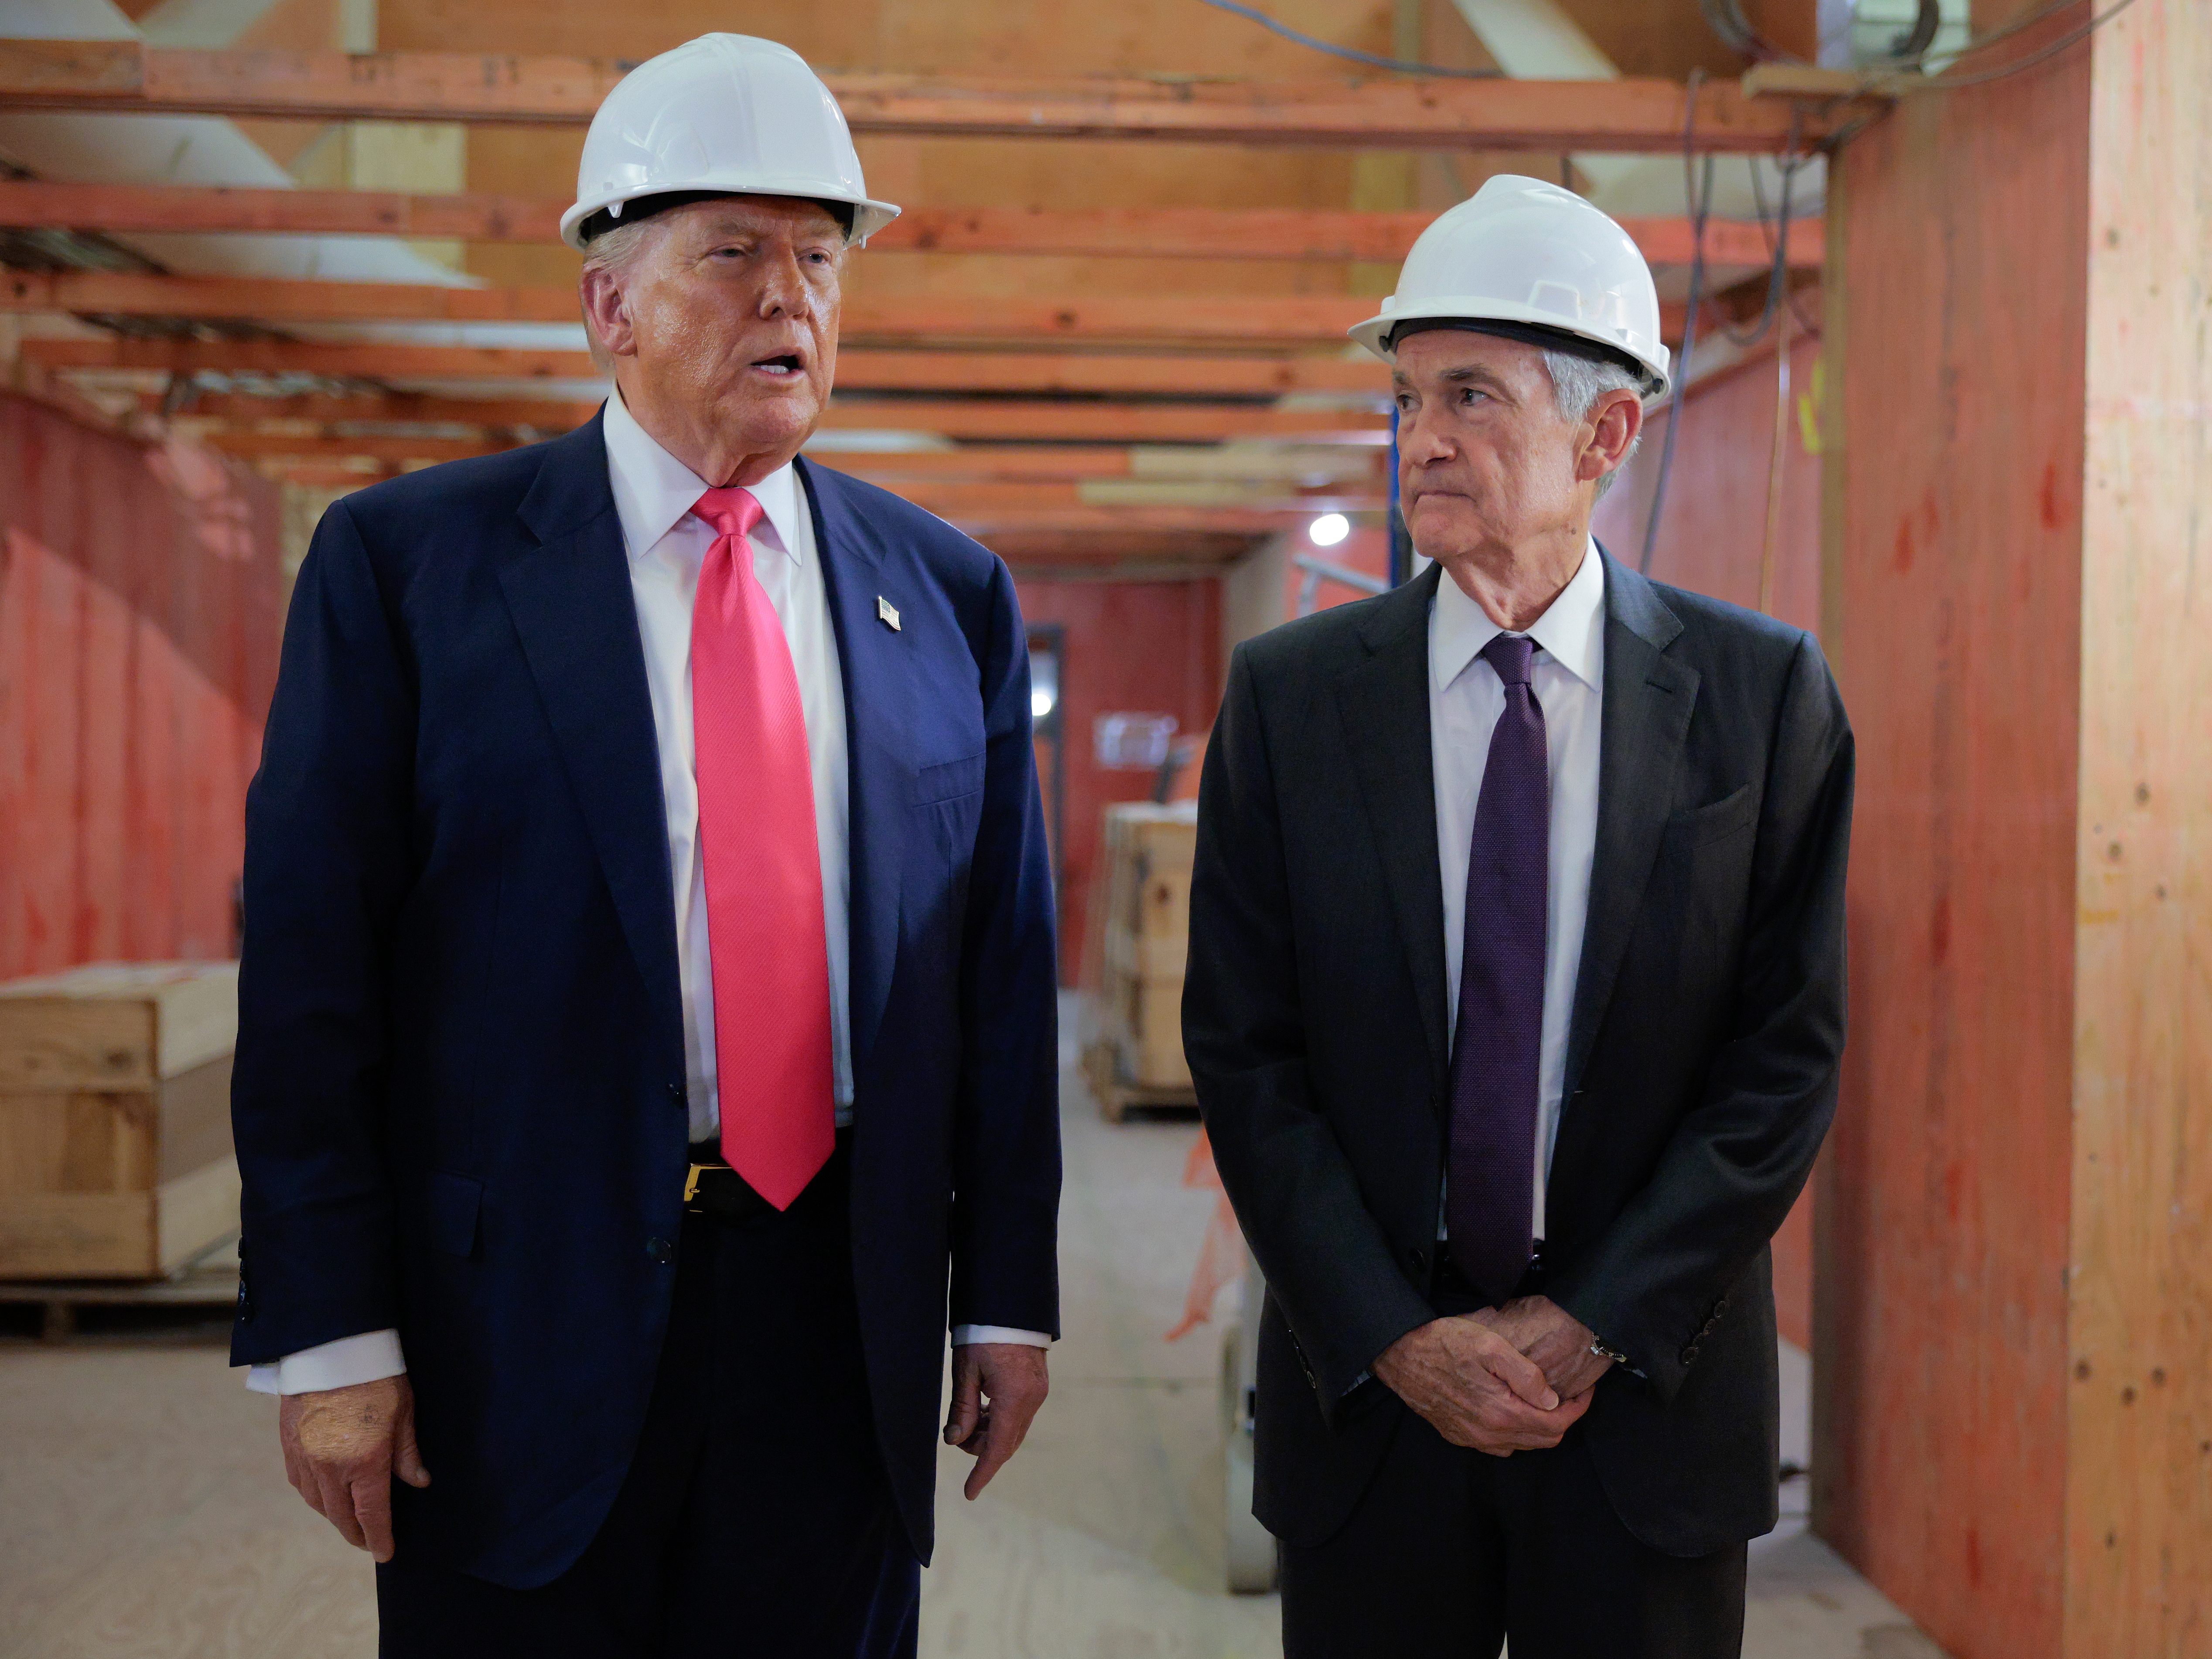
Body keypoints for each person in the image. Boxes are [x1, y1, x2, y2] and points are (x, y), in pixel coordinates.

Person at [228, 34, 1062, 1657]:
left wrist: (1008, 1294)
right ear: (609, 305)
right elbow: (316, 976)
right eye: (735, 252)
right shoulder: (410, 569)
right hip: (512, 1318)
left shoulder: (948, 593)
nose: (790, 297)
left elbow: (999, 981)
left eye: (821, 258)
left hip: (840, 1314)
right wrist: (329, 1333)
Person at [1182, 175, 1854, 1658]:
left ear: (1604, 435)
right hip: (1373, 1397)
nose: (1421, 437)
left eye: (1470, 396)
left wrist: (1595, 1317)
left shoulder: (1761, 699)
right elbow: (1243, 1049)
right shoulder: (1293, 703)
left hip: (1645, 1397)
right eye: (1409, 397)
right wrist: (1393, 1331)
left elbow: (1784, 1062)